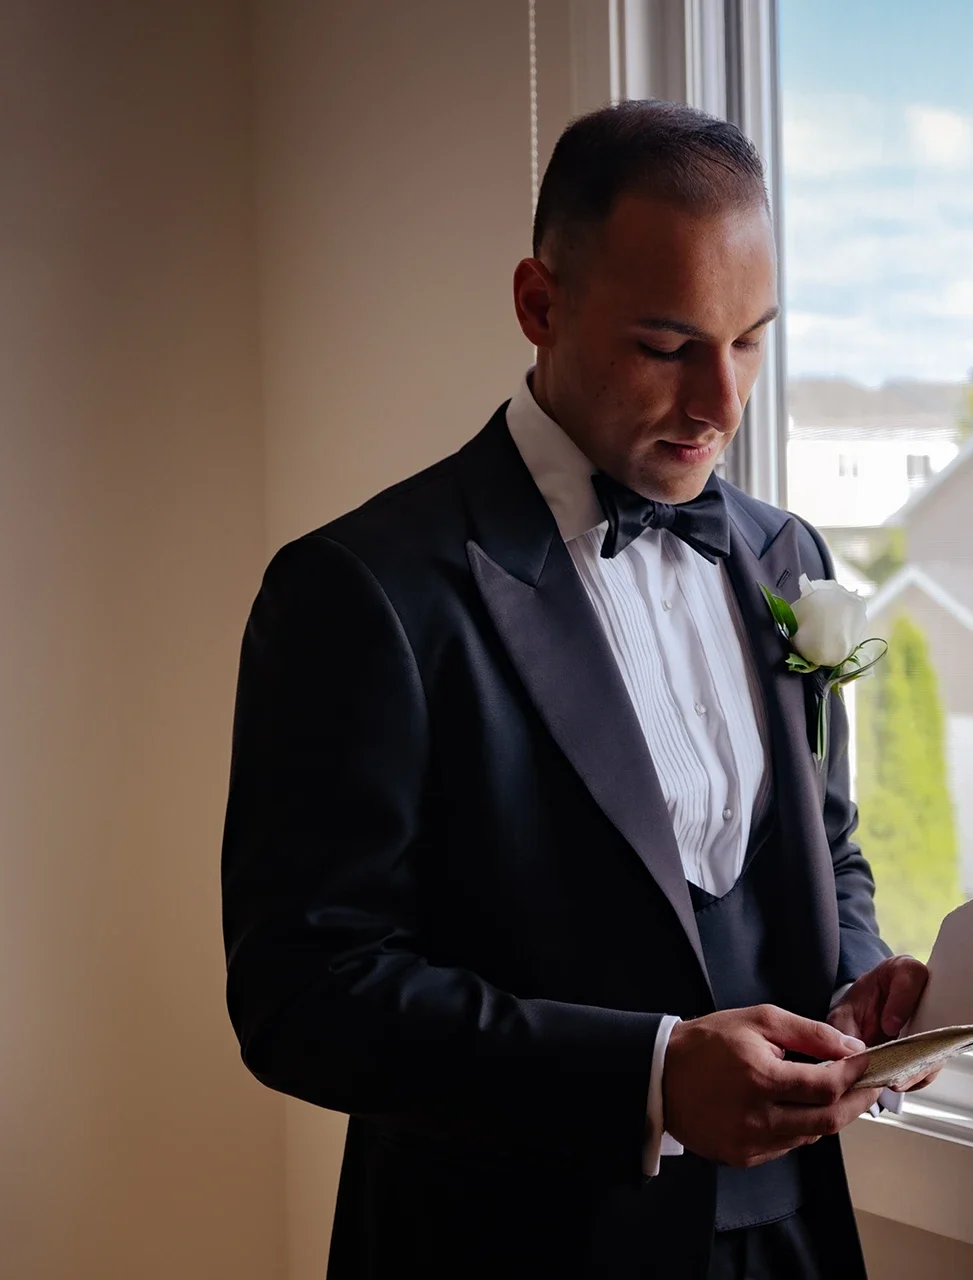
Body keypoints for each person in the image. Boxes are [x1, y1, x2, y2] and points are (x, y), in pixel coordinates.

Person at [221, 99, 933, 1279]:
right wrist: (649, 1074)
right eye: (669, 347)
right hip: (507, 1244)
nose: (723, 404)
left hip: (793, 1235)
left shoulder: (782, 555)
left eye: (750, 339)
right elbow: (307, 992)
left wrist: (863, 981)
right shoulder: (360, 589)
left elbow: (828, 845)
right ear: (540, 305)